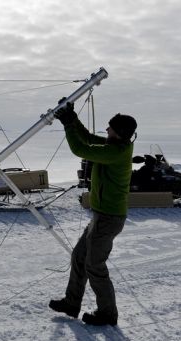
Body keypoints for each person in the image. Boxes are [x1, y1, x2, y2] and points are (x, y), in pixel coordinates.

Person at [49, 101, 137, 326]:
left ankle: (108, 314)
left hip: (109, 219)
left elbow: (80, 149)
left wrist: (68, 124)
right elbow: (87, 138)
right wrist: (71, 118)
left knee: (94, 266)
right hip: (101, 216)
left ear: (119, 133)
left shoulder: (115, 152)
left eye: (110, 128)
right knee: (79, 257)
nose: (106, 130)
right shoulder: (114, 145)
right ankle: (72, 302)